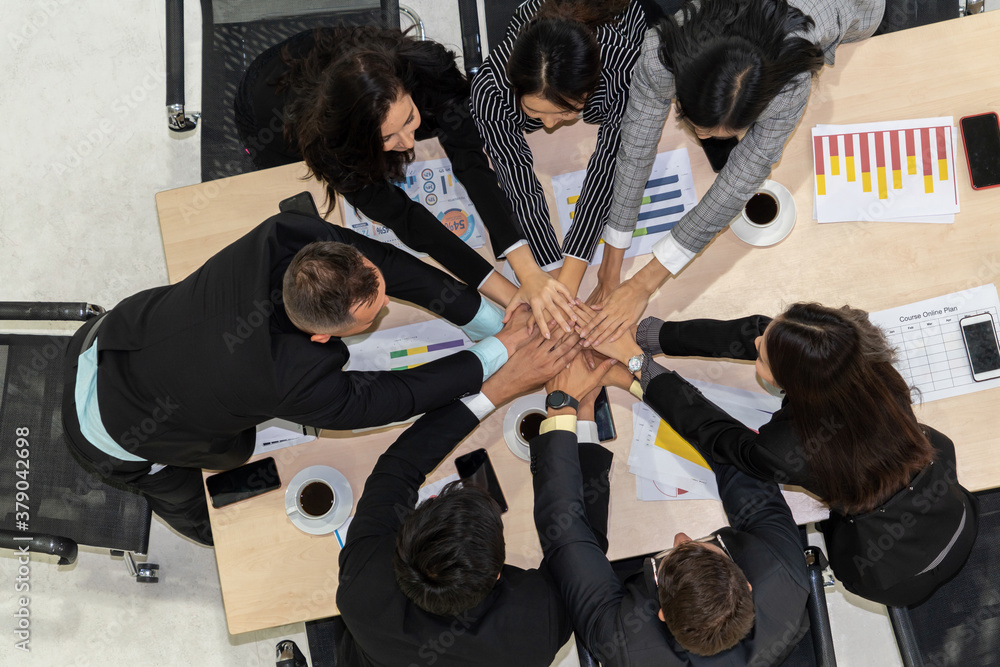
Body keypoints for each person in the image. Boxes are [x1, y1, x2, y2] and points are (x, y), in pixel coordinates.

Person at [61, 210, 533, 546]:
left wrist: (489, 322)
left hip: (112, 335)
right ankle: (212, 541)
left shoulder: (289, 238)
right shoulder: (286, 378)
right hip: (114, 430)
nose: (387, 304)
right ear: (323, 337)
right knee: (202, 509)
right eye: (373, 315)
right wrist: (501, 353)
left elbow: (387, 265)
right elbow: (395, 398)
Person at [584, 301, 978, 607]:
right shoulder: (869, 366)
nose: (755, 347)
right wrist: (651, 335)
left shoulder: (784, 449)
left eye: (761, 359)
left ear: (792, 385)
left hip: (886, 570)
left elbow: (712, 431)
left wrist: (636, 362)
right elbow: (766, 334)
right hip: (953, 512)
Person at [235, 25, 577, 338]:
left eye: (409, 118)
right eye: (387, 138)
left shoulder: (430, 71)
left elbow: (471, 161)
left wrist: (527, 271)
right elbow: (409, 220)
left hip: (338, 62)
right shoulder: (332, 146)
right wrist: (509, 294)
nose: (409, 145)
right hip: (274, 109)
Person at [579, 0, 886, 344]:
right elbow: (635, 146)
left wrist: (644, 282)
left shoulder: (791, 82)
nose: (705, 138)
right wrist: (610, 264)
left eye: (718, 133)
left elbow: (740, 180)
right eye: (701, 127)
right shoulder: (660, 49)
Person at [337, 326, 613, 666]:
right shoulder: (534, 632)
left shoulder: (361, 588)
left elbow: (399, 466)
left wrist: (500, 386)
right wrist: (580, 411)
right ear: (497, 574)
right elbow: (585, 548)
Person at [530, 355, 810, 664]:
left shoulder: (624, 643)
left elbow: (564, 530)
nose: (680, 536)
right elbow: (733, 456)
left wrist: (561, 405)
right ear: (746, 583)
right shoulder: (783, 574)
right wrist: (638, 382)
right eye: (699, 546)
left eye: (673, 554)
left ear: (660, 614)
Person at [470, 0, 651, 303]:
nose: (551, 125)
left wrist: (571, 273)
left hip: (619, 16)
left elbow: (608, 165)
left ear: (591, 88)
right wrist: (552, 270)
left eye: (566, 112)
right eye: (534, 111)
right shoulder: (491, 88)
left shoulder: (622, 67)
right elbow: (516, 180)